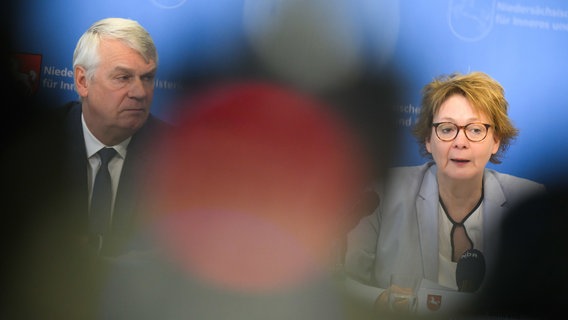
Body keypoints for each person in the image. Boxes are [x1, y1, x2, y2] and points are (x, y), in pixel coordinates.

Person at [1, 17, 169, 319]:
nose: (140, 92)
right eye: (123, 78)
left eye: (147, 78)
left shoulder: (176, 155)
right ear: (82, 81)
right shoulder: (31, 149)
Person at [343, 71, 546, 317]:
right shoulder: (381, 193)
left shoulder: (529, 204)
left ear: (496, 140)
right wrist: (382, 300)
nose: (460, 142)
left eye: (475, 129)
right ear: (428, 139)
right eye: (448, 129)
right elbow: (342, 283)